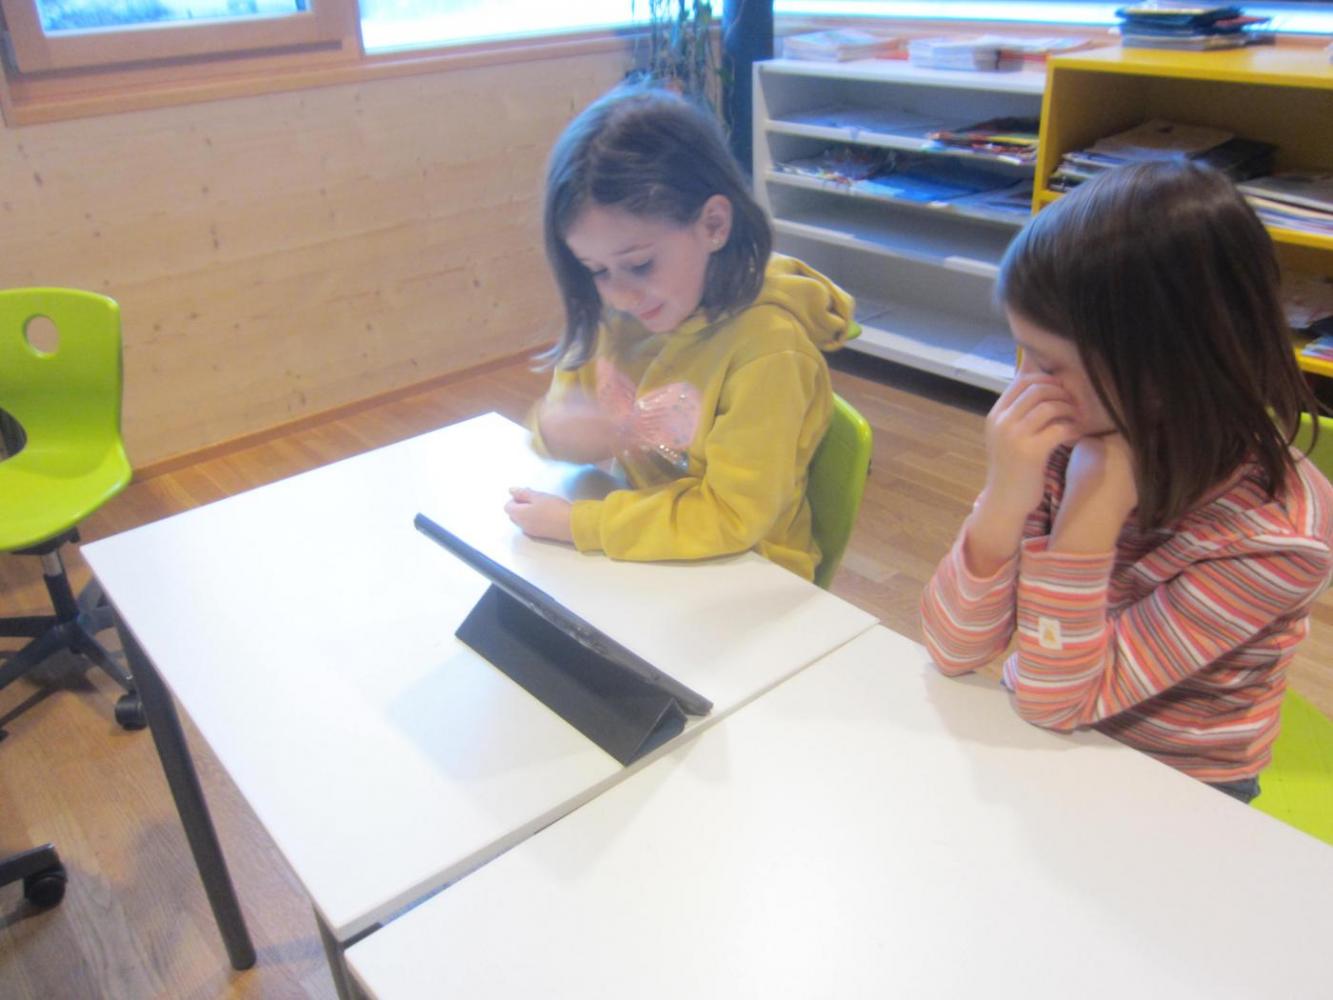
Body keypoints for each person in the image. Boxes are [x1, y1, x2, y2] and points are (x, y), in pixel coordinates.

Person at [920, 161, 1333, 802]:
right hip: (1042, 733)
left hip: (1183, 784)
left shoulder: (1277, 537)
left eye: (1048, 364)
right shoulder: (1063, 439)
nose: (1023, 389)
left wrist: (1090, 513)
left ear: (1166, 373)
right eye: (1024, 354)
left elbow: (1052, 701)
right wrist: (1004, 500)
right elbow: (952, 647)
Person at [504, 85, 854, 581]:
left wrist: (580, 524)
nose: (619, 294)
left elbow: (732, 517)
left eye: (639, 264)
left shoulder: (768, 350)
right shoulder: (619, 314)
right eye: (596, 270)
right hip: (650, 545)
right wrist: (559, 430)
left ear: (713, 224)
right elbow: (566, 419)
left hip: (750, 572)